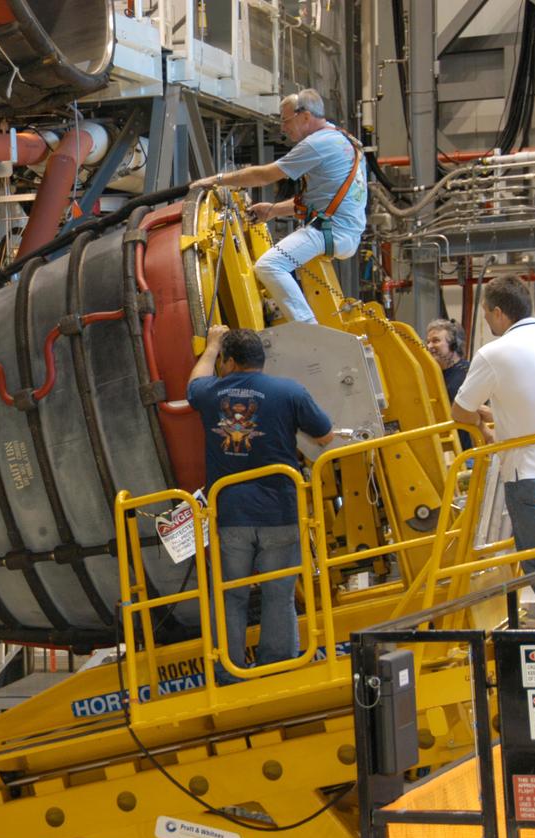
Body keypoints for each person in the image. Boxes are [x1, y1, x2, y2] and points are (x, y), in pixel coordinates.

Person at [187, 326, 334, 682]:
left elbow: (194, 384)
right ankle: (278, 666)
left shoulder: (210, 392)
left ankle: (228, 671)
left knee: (230, 595)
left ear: (229, 361)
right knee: (279, 593)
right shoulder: (290, 392)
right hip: (279, 511)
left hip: (231, 514)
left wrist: (211, 346)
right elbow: (325, 435)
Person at [451, 274, 535, 628]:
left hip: (531, 473)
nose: (486, 318)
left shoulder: (494, 353)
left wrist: (482, 426)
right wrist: (499, 414)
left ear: (499, 313)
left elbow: (460, 411)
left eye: (486, 312)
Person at [191, 88, 367, 325]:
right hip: (345, 231)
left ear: (305, 116)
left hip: (332, 232)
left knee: (269, 265)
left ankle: (309, 330)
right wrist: (273, 210)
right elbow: (322, 201)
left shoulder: (317, 144)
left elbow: (265, 175)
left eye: (286, 120)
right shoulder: (342, 139)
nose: (283, 128)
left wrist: (217, 180)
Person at [425, 318, 485, 451]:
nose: (429, 346)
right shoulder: (432, 375)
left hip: (468, 451)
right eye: (428, 342)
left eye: (435, 341)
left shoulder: (469, 372)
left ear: (453, 345)